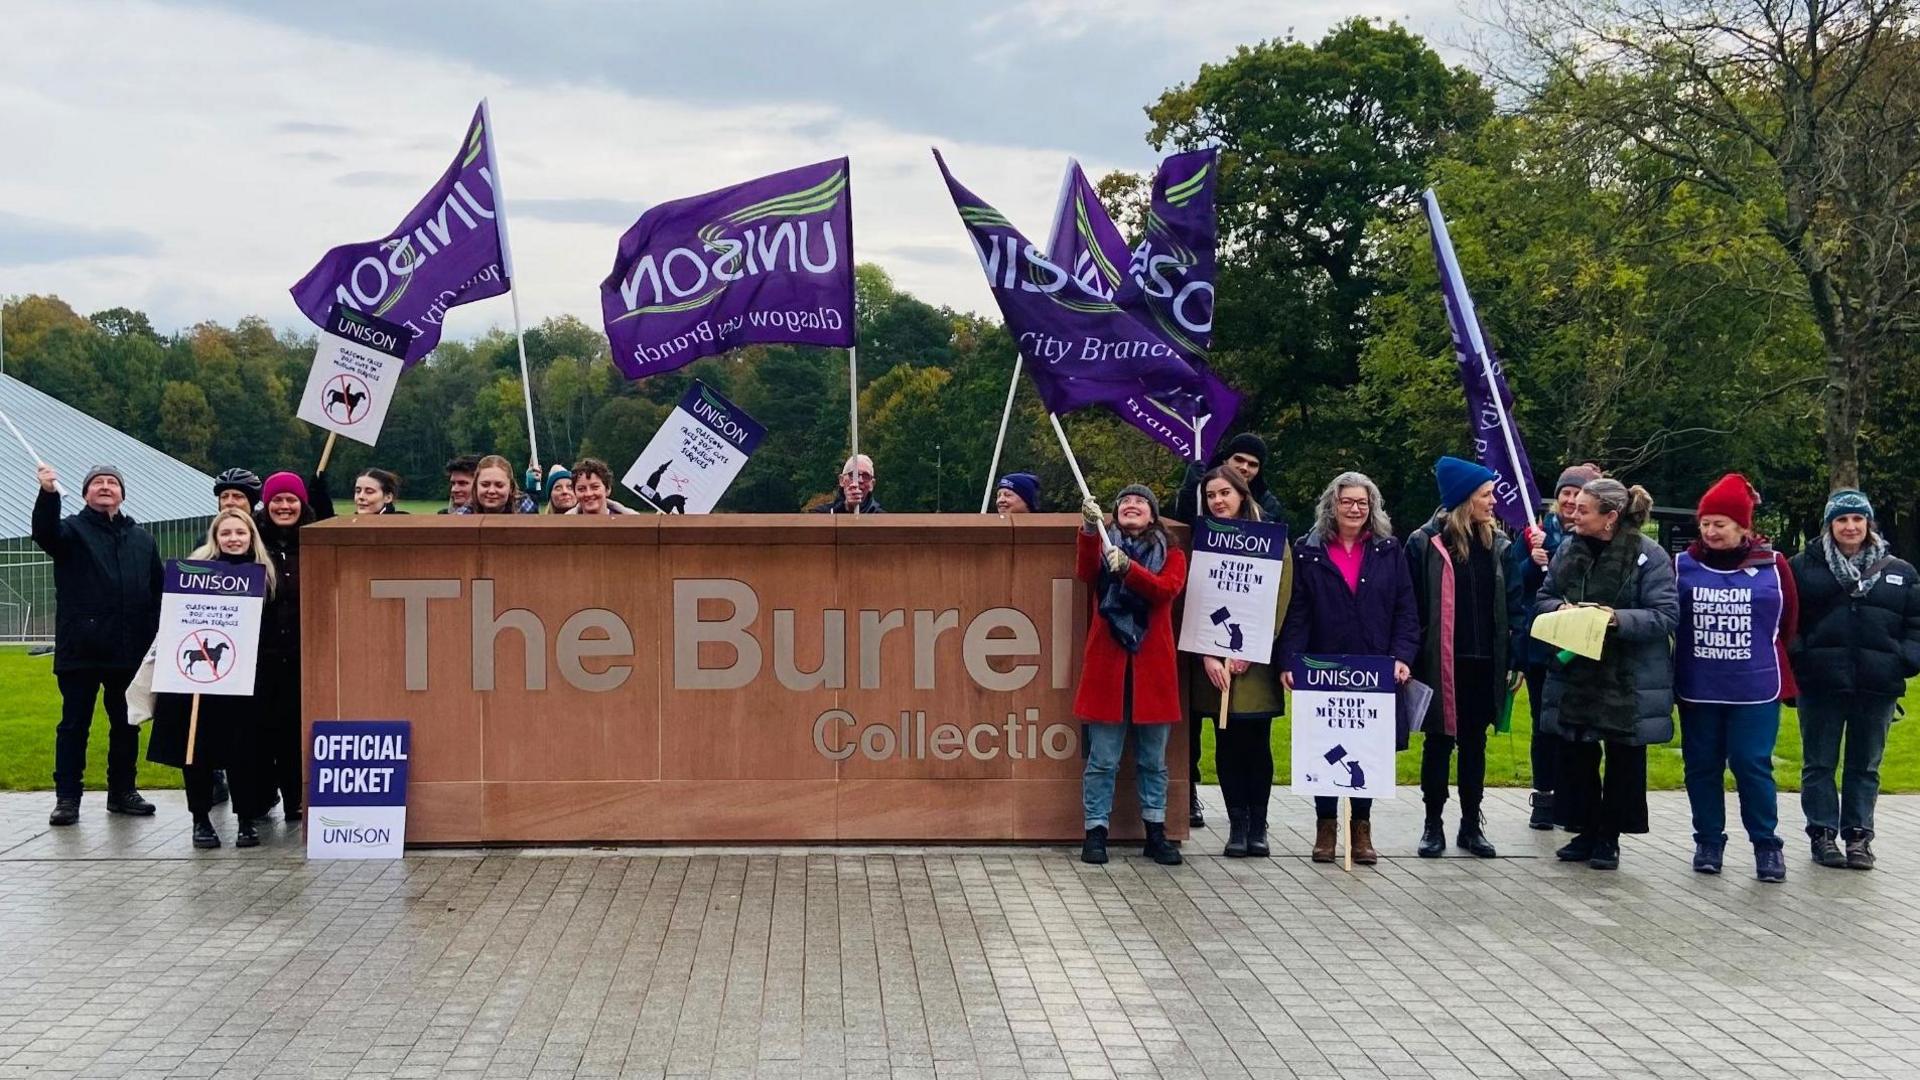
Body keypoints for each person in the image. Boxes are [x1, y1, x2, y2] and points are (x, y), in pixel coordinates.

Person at [1277, 472, 1419, 865]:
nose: (1355, 509)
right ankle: (1326, 828)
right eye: (1347, 502)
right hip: (1324, 665)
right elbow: (1297, 611)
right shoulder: (1309, 550)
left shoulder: (1389, 550)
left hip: (1374, 666)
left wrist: (1402, 657)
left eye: (1363, 502)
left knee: (1365, 749)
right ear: (1332, 506)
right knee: (1327, 745)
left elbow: (1406, 609)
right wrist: (1291, 659)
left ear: (1372, 507)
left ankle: (1361, 829)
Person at [1535, 478, 1676, 871]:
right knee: (1576, 753)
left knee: (1623, 757)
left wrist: (1614, 619)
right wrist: (1559, 611)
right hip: (1575, 670)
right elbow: (1544, 596)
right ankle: (1584, 828)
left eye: (1583, 509)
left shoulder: (1650, 556)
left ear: (1610, 517)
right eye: (1573, 506)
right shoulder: (1567, 549)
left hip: (1626, 676)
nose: (1572, 514)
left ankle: (1610, 836)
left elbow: (1665, 615)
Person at [1674, 473, 1798, 881]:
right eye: (1705, 523)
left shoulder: (1774, 565)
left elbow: (1789, 622)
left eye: (1720, 524)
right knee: (1702, 765)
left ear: (1743, 527)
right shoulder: (1683, 566)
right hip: (1700, 688)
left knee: (1751, 763)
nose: (1710, 531)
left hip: (1755, 688)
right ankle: (1708, 841)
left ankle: (1766, 846)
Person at [1789, 489, 1920, 872]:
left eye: (1857, 519)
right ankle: (1823, 834)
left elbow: (1915, 624)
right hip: (1820, 681)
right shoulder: (1803, 567)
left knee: (1865, 765)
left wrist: (1904, 661)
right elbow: (1788, 620)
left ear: (1868, 523)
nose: (1850, 527)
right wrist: (1803, 654)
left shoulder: (1900, 572)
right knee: (1819, 763)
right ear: (1830, 524)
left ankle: (1859, 835)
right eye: (1842, 519)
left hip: (1877, 683)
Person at [32, 464, 163, 827]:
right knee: (74, 725)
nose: (105, 487)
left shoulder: (142, 539)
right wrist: (47, 494)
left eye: (112, 483)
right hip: (82, 650)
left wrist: (157, 637)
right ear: (86, 492)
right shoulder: (71, 531)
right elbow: (44, 533)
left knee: (126, 724)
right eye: (97, 483)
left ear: (122, 493)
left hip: (129, 650)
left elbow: (157, 592)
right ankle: (67, 798)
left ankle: (122, 792)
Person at [1407, 456, 1525, 859]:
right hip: (1440, 662)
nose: (1493, 502)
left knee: (1474, 745)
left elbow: (1515, 604)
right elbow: (1413, 606)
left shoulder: (1500, 546)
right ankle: (1432, 824)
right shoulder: (1424, 543)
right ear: (1464, 499)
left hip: (1484, 662)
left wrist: (1516, 658)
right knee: (1438, 743)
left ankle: (1471, 824)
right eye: (1485, 495)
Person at [146, 509, 276, 849]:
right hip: (198, 682)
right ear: (215, 537)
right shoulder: (193, 573)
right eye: (226, 533)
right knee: (197, 753)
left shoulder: (264, 575)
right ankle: (200, 819)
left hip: (245, 678)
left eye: (240, 533)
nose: (234, 539)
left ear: (251, 536)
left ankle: (247, 820)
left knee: (244, 753)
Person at [1076, 485, 1187, 866]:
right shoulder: (1104, 548)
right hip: (1108, 669)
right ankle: (1095, 833)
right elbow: (1085, 570)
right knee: (1102, 760)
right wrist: (1090, 530)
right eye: (1124, 502)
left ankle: (1156, 833)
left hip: (1151, 673)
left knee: (1153, 761)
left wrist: (1130, 569)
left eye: (1140, 502)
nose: (1131, 505)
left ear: (1153, 515)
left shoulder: (1172, 554)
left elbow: (1165, 589)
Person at [1188, 466, 1291, 858]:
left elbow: (1281, 597)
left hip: (1256, 664)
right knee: (1226, 743)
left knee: (1257, 744)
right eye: (1211, 495)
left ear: (1242, 495)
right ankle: (1236, 826)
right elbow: (1193, 598)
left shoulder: (1271, 539)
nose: (1217, 501)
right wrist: (1207, 653)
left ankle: (1258, 825)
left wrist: (1253, 648)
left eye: (1224, 493)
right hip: (1213, 664)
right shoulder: (1200, 541)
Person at [1508, 462, 1601, 829]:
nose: (1570, 499)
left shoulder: (1593, 537)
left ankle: (1574, 798)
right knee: (1543, 723)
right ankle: (1544, 796)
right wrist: (1532, 562)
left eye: (1578, 493)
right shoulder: (1534, 532)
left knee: (1577, 726)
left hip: (1580, 646)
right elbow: (1516, 584)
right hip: (1541, 647)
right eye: (1565, 492)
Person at [252, 470, 335, 823]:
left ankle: (295, 798)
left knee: (293, 730)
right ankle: (257, 796)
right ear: (266, 504)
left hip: (304, 655)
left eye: (291, 500)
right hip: (259, 657)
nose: (284, 506)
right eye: (278, 500)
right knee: (259, 731)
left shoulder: (315, 543)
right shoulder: (253, 545)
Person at [1172, 432, 1285, 525]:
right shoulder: (1198, 491)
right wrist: (1189, 491)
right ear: (1225, 461)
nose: (1244, 467)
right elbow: (1183, 528)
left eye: (1252, 464)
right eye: (1239, 460)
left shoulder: (1269, 505)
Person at [459, 455, 537, 514]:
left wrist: (533, 488)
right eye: (485, 485)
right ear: (476, 486)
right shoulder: (463, 515)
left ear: (511, 488)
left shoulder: (523, 506)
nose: (491, 491)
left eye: (499, 485)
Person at [811, 454, 884, 514]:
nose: (860, 480)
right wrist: (845, 508)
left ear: (872, 484)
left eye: (866, 476)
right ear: (841, 480)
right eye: (853, 474)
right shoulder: (821, 514)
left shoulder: (883, 520)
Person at [565, 458, 640, 515]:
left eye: (595, 487)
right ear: (575, 493)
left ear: (607, 489)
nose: (588, 493)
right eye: (581, 489)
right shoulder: (565, 527)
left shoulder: (628, 524)